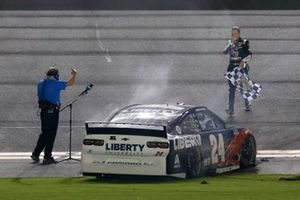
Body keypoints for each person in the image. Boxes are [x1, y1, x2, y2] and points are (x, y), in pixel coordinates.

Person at [31, 67, 77, 164]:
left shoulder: (41, 83)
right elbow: (70, 83)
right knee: (51, 134)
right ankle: (47, 157)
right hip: (52, 111)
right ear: (55, 76)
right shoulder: (55, 83)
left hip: (43, 111)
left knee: (44, 133)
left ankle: (36, 153)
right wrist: (74, 75)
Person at [223, 26, 252, 115]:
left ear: (239, 34)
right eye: (232, 33)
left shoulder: (244, 42)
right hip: (232, 70)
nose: (233, 35)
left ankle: (248, 103)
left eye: (235, 33)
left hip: (241, 69)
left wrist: (244, 61)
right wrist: (230, 44)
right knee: (231, 89)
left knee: (245, 87)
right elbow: (224, 52)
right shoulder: (230, 43)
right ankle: (231, 109)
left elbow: (250, 55)